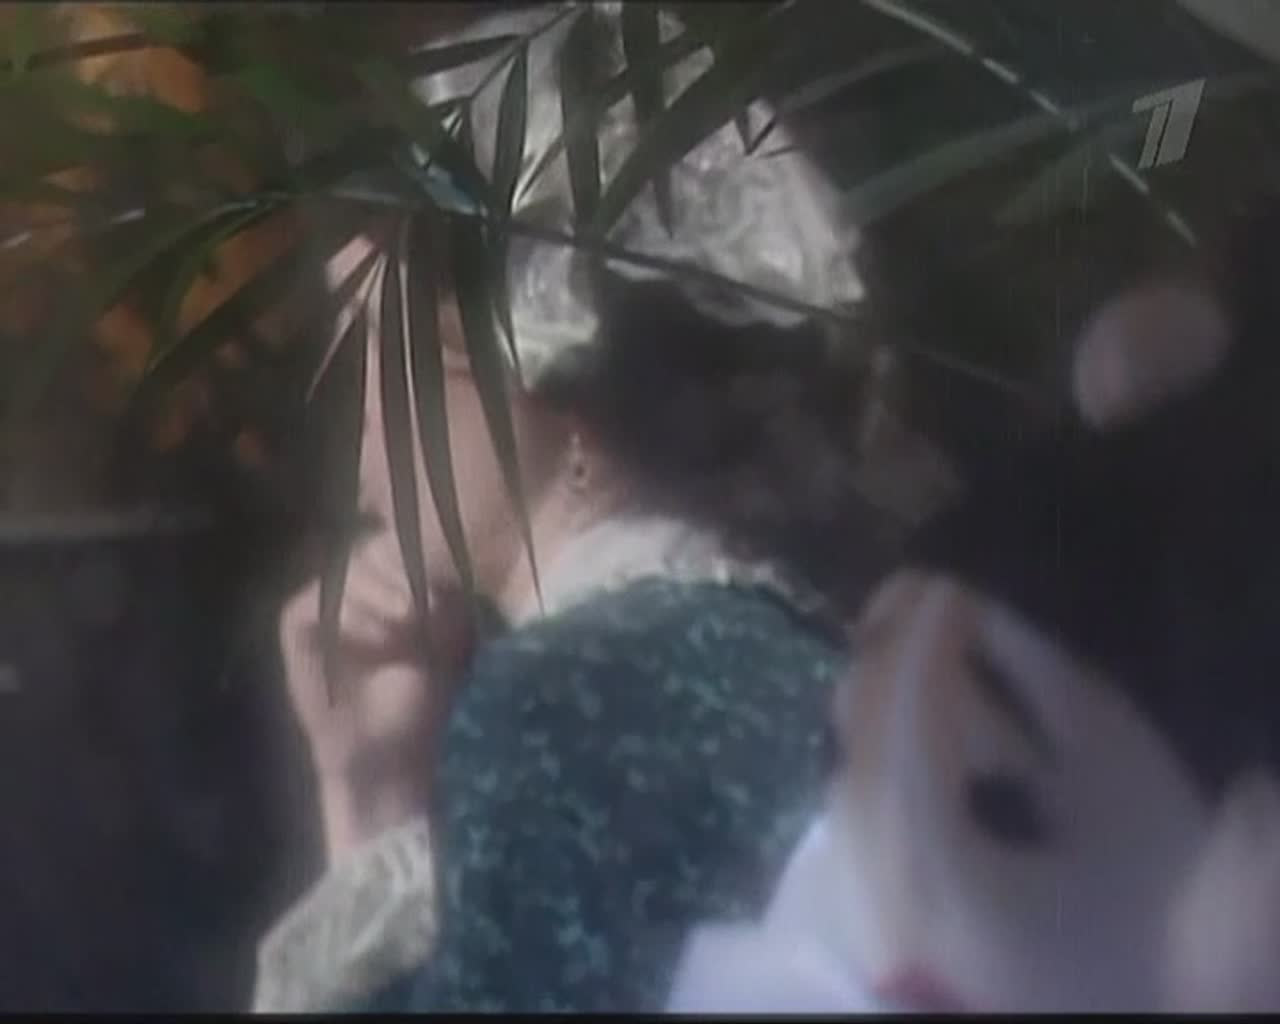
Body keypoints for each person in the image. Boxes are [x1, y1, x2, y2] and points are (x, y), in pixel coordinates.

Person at [251, 3, 896, 1013]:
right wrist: (372, 783)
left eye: (379, 341)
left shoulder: (565, 703)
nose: (358, 406)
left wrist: (367, 809)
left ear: (542, 369)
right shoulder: (812, 656)